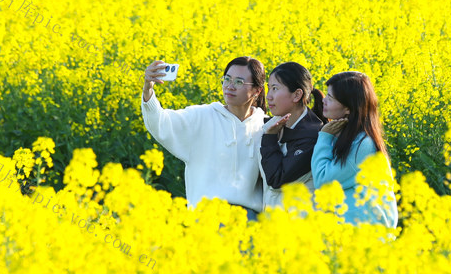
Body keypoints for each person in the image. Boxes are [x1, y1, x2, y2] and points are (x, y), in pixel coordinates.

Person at [140, 56, 266, 220]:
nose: (229, 86)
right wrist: (148, 89)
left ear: (257, 90)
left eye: (239, 82)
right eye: (227, 79)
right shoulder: (201, 117)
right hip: (206, 219)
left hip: (249, 220)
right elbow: (161, 123)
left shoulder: (265, 126)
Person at [311, 71, 398, 227]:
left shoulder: (363, 145)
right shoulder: (345, 136)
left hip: (367, 234)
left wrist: (324, 136)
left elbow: (323, 181)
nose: (324, 101)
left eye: (330, 98)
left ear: (349, 109)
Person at [259, 62, 325, 209]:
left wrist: (269, 139)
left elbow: (277, 180)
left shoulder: (312, 137)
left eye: (275, 89)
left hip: (298, 225)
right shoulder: (269, 125)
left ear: (297, 95)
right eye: (269, 89)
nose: (268, 96)